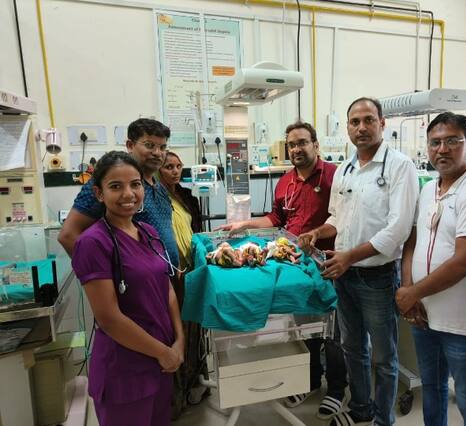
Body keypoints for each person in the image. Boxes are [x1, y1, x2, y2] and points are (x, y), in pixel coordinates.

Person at [299, 98, 419, 426]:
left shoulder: (399, 167)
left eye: (368, 120)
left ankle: (383, 419)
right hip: (344, 276)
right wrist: (316, 232)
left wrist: (350, 256)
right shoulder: (345, 169)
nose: (361, 127)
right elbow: (337, 217)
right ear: (348, 127)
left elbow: (398, 229)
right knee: (352, 348)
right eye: (354, 122)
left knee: (383, 356)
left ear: (382, 123)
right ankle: (361, 409)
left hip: (377, 276)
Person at [218, 121, 348, 420]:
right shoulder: (286, 181)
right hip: (296, 266)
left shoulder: (334, 176)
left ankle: (337, 389)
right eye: (291, 144)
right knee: (306, 328)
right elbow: (276, 219)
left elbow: (343, 217)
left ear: (315, 145)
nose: (296, 149)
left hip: (328, 264)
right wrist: (245, 223)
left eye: (302, 142)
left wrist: (318, 237)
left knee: (333, 331)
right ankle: (311, 381)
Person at [71, 151, 184, 426]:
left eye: (135, 184)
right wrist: (163, 352)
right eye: (115, 186)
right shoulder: (93, 243)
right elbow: (109, 318)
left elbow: (166, 289)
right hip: (124, 369)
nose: (128, 194)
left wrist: (180, 340)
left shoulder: (148, 232)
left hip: (161, 361)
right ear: (99, 193)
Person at [396, 112, 466, 426]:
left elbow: (464, 260)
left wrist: (412, 293)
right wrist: (408, 289)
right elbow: (412, 242)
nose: (442, 149)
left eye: (452, 141)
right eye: (435, 142)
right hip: (424, 315)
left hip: (461, 323)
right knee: (432, 389)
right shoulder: (428, 189)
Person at [58, 118, 179, 272]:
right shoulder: (106, 185)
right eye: (149, 145)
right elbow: (68, 236)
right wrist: (101, 276)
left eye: (162, 147)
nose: (157, 153)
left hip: (167, 276)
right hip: (133, 282)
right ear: (130, 145)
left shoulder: (159, 186)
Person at [158, 151, 207, 415]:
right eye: (169, 167)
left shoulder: (186, 197)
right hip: (169, 275)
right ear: (158, 169)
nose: (175, 171)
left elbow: (195, 231)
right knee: (176, 332)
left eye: (178, 166)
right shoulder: (153, 198)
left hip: (190, 270)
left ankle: (194, 383)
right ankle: (175, 397)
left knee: (194, 328)